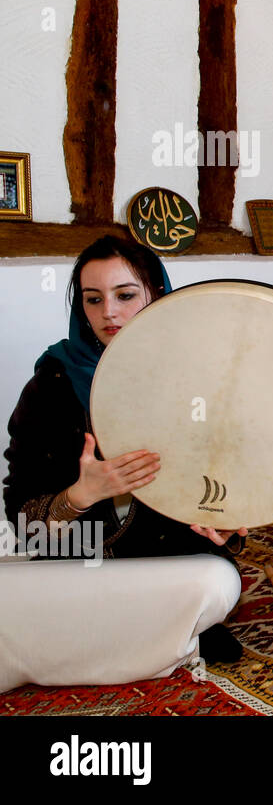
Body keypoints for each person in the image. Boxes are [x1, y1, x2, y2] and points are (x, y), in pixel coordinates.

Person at [1, 236, 244, 692]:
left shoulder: (198, 380)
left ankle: (91, 645)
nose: (108, 312)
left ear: (156, 294)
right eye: (93, 299)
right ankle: (166, 644)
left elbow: (229, 488)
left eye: (125, 295)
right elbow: (23, 523)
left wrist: (225, 522)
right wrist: (80, 495)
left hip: (170, 568)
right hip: (75, 569)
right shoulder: (50, 385)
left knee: (215, 581)